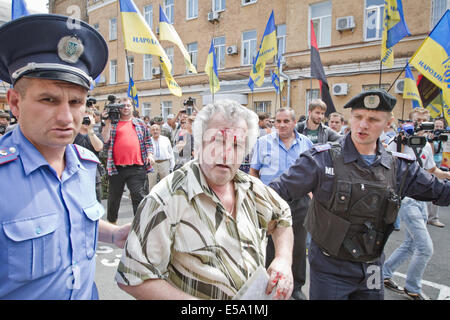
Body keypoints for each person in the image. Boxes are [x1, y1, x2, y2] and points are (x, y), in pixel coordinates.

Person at [268, 89, 450, 300]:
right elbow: (275, 192)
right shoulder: (321, 160)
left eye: (373, 119)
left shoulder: (400, 167)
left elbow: (441, 192)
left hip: (372, 267)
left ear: (388, 123)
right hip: (330, 268)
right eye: (358, 117)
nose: (363, 125)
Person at [0, 14, 130, 299]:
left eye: (76, 102)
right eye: (49, 100)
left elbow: (75, 223)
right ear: (14, 102)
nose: (66, 117)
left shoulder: (84, 164)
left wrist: (114, 235)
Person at [115, 99, 294, 300]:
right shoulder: (166, 198)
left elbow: (282, 216)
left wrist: (283, 260)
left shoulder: (251, 188)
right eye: (217, 142)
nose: (226, 154)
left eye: (236, 145)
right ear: (199, 144)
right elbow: (133, 278)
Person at [382, 110, 450, 300]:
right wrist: (400, 140)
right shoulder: (398, 140)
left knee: (411, 243)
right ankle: (413, 287)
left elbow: (431, 170)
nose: (421, 125)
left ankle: (385, 273)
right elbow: (387, 162)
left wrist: (446, 175)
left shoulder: (426, 146)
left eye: (424, 122)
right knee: (425, 247)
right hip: (407, 200)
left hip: (422, 200)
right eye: (417, 121)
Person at [250, 108, 313, 300]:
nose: (281, 125)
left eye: (286, 121)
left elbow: (313, 173)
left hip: (299, 202)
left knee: (299, 247)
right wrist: (259, 196)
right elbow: (254, 172)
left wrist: (311, 196)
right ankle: (271, 287)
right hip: (271, 201)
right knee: (271, 246)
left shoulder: (306, 144)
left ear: (294, 123)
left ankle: (296, 289)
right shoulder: (263, 143)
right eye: (278, 121)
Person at [102, 97, 154, 224]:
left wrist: (150, 154)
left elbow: (148, 142)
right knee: (114, 198)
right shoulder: (112, 123)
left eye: (128, 105)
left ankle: (140, 225)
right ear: (118, 108)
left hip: (137, 167)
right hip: (117, 168)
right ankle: (112, 223)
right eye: (123, 106)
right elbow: (105, 139)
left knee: (139, 197)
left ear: (132, 107)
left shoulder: (140, 123)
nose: (125, 108)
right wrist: (107, 122)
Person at [74, 107, 105, 201]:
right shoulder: (73, 135)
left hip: (93, 175)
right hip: (76, 174)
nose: (85, 120)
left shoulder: (96, 135)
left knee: (96, 202)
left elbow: (99, 147)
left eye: (88, 118)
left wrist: (90, 130)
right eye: (83, 117)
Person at [427, 117, 447, 228]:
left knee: (438, 190)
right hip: (431, 165)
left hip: (441, 166)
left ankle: (434, 217)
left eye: (441, 127)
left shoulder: (446, 138)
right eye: (436, 126)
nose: (438, 129)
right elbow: (430, 153)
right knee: (427, 189)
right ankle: (425, 216)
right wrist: (431, 140)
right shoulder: (428, 138)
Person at [147, 124, 174, 191]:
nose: (155, 131)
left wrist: (172, 165)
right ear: (150, 131)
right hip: (152, 165)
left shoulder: (166, 139)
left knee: (166, 184)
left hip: (164, 163)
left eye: (157, 129)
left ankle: (166, 200)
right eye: (153, 130)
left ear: (160, 131)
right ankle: (152, 200)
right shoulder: (148, 140)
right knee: (152, 184)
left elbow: (171, 152)